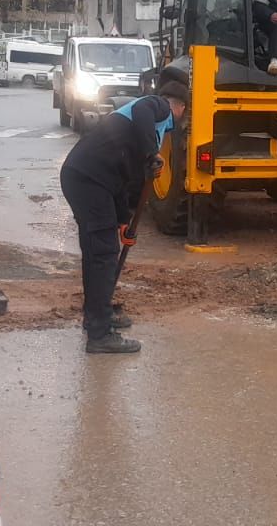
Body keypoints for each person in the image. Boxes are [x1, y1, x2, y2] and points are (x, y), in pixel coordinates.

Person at [60, 83, 188, 353]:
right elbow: (143, 107)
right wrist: (151, 153)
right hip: (88, 180)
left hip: (91, 180)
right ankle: (99, 335)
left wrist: (122, 221)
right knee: (104, 254)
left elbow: (122, 182)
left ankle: (96, 315)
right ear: (181, 108)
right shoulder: (157, 107)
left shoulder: (143, 132)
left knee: (98, 252)